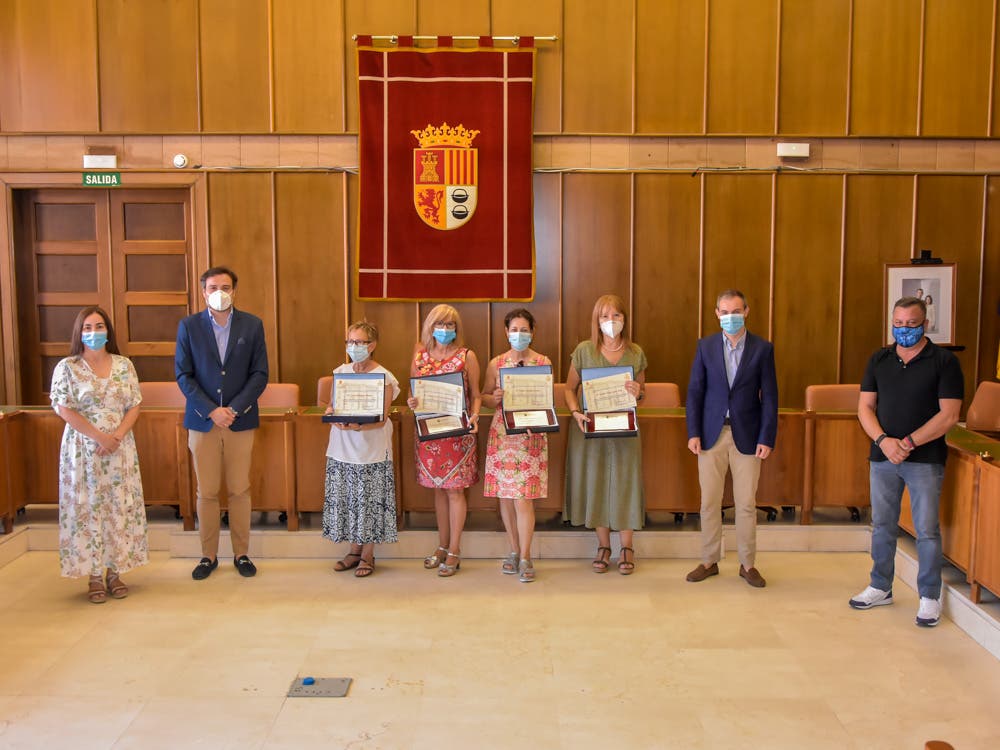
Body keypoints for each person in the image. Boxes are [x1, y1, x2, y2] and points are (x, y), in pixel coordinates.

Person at [850, 296, 963, 627]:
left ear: (925, 324)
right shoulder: (879, 359)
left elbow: (950, 414)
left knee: (926, 530)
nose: (903, 330)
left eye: (910, 324)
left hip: (924, 458)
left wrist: (909, 442)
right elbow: (865, 408)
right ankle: (880, 586)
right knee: (883, 525)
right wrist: (885, 442)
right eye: (897, 324)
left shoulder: (943, 362)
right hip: (883, 456)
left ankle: (929, 596)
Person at [176, 266, 268, 580]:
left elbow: (260, 374)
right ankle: (208, 556)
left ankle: (242, 554)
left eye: (226, 286)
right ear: (203, 292)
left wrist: (234, 408)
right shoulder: (188, 326)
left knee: (240, 489)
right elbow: (183, 375)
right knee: (207, 491)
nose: (220, 292)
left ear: (234, 290)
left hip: (240, 421)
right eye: (213, 286)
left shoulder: (252, 325)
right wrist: (212, 410)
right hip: (202, 422)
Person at [50, 307, 148, 603]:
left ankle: (115, 571)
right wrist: (99, 436)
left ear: (108, 331)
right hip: (84, 448)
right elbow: (62, 407)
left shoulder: (123, 365)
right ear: (79, 332)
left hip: (120, 447)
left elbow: (134, 404)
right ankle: (93, 575)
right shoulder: (67, 367)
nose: (94, 332)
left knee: (118, 505)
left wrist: (116, 436)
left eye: (100, 325)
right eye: (88, 327)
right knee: (88, 506)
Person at [685, 289, 778, 588]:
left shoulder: (762, 349)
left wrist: (767, 436)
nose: (730, 317)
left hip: (748, 437)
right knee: (709, 502)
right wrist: (693, 432)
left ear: (747, 311)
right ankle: (709, 560)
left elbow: (771, 398)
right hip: (711, 435)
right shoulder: (706, 346)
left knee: (746, 504)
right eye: (724, 312)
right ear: (716, 314)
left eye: (735, 311)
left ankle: (748, 564)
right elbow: (695, 393)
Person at [563, 294, 646, 575]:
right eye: (604, 317)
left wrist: (638, 391)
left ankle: (626, 546)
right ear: (596, 321)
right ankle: (603, 545)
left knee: (625, 482)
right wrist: (576, 413)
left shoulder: (635, 353)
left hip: (624, 431)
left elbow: (641, 393)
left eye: (616, 316)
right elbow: (568, 389)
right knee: (596, 481)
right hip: (591, 430)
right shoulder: (585, 350)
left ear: (625, 319)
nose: (611, 322)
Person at [407, 304, 482, 577]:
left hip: (459, 435)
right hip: (429, 435)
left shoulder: (467, 356)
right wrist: (412, 401)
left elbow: (476, 394)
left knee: (455, 491)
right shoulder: (419, 356)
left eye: (451, 325)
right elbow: (412, 390)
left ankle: (454, 549)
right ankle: (441, 545)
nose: (445, 330)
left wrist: (474, 416)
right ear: (430, 326)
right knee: (438, 489)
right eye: (441, 324)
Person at [323, 321, 399, 577]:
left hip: (371, 448)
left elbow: (382, 416)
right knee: (348, 499)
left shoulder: (385, 377)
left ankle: (368, 555)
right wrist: (332, 413)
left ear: (372, 345)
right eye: (350, 342)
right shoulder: (341, 372)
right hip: (342, 447)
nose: (354, 347)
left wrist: (357, 426)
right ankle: (353, 551)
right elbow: (334, 406)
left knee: (369, 501)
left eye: (359, 342)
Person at [481, 309, 550, 583]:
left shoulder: (543, 361)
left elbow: (545, 401)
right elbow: (484, 397)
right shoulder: (496, 363)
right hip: (502, 435)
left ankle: (526, 555)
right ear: (506, 332)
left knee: (524, 499)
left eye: (524, 329)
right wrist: (493, 397)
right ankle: (512, 549)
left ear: (533, 331)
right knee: (506, 497)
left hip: (530, 435)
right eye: (514, 329)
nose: (518, 335)